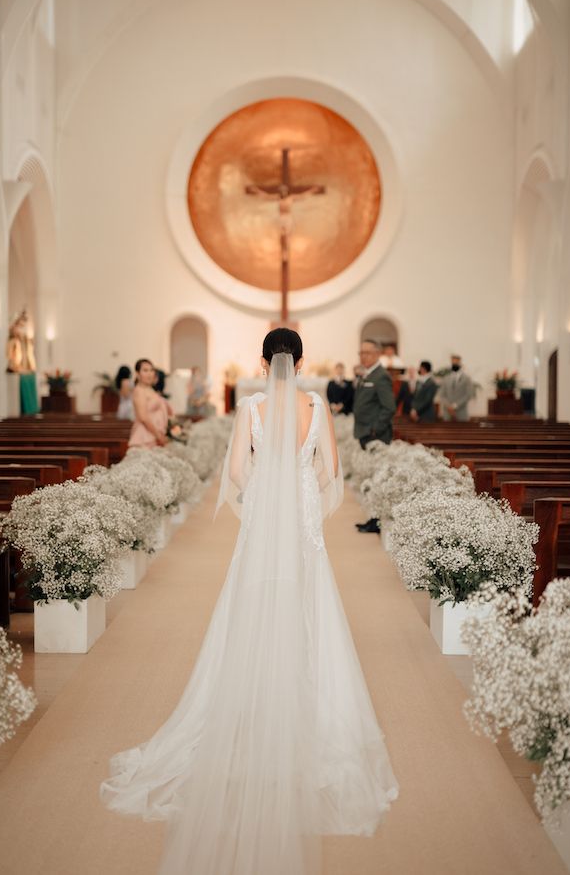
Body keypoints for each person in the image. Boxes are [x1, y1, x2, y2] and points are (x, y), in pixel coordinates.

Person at [100, 328, 398, 875]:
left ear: (263, 364)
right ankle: (306, 713)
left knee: (254, 607)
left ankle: (252, 702)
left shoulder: (252, 408)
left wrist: (262, 495)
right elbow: (332, 474)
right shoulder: (315, 406)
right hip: (304, 525)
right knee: (310, 611)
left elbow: (236, 475)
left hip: (264, 523)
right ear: (300, 362)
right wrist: (305, 501)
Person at [353, 339, 396, 533]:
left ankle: (377, 520)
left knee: (377, 478)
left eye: (367, 353)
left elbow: (389, 407)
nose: (363, 356)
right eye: (361, 353)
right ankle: (373, 516)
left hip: (376, 436)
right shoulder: (367, 374)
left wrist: (374, 430)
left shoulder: (381, 376)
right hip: (365, 433)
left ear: (377, 354)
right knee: (370, 476)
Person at [128, 358, 173, 448]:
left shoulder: (150, 389)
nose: (149, 373)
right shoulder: (139, 391)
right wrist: (159, 436)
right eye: (145, 370)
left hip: (155, 434)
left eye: (151, 370)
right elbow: (143, 418)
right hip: (145, 435)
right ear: (137, 374)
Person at [438, 354, 474, 422]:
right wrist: (449, 406)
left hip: (461, 412)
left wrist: (455, 406)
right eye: (453, 362)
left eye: (456, 362)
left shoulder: (466, 379)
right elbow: (442, 395)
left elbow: (469, 395)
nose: (454, 364)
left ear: (460, 363)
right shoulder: (446, 378)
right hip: (447, 413)